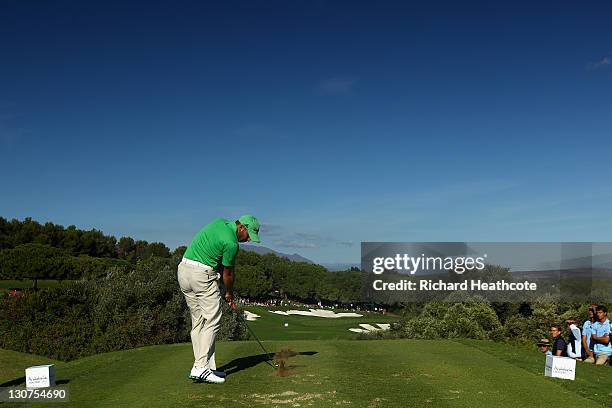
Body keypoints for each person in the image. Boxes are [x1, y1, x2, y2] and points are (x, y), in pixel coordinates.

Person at [177, 215, 261, 383]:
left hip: (183, 271)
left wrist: (222, 288)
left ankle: (204, 368)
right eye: (249, 235)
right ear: (241, 228)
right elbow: (228, 274)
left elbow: (218, 260)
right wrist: (229, 292)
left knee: (199, 321)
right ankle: (200, 367)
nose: (249, 239)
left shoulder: (218, 222)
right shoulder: (232, 243)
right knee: (213, 319)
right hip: (201, 276)